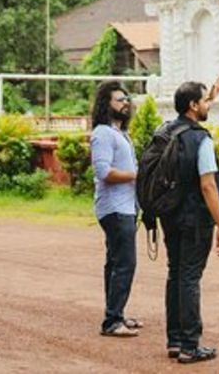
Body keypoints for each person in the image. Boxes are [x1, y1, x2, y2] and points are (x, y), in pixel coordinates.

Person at [158, 78, 219, 365]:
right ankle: (190, 345)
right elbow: (208, 185)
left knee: (176, 273)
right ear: (192, 106)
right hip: (195, 219)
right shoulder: (201, 139)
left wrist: (211, 94)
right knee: (189, 277)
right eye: (203, 102)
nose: (207, 105)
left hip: (170, 215)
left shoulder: (167, 130)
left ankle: (175, 340)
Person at [89, 81, 142, 338]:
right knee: (125, 263)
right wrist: (136, 176)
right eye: (119, 99)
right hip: (115, 208)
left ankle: (115, 313)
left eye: (126, 99)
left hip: (125, 207)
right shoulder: (102, 133)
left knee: (115, 263)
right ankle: (112, 321)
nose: (125, 103)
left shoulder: (120, 134)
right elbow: (104, 172)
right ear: (106, 104)